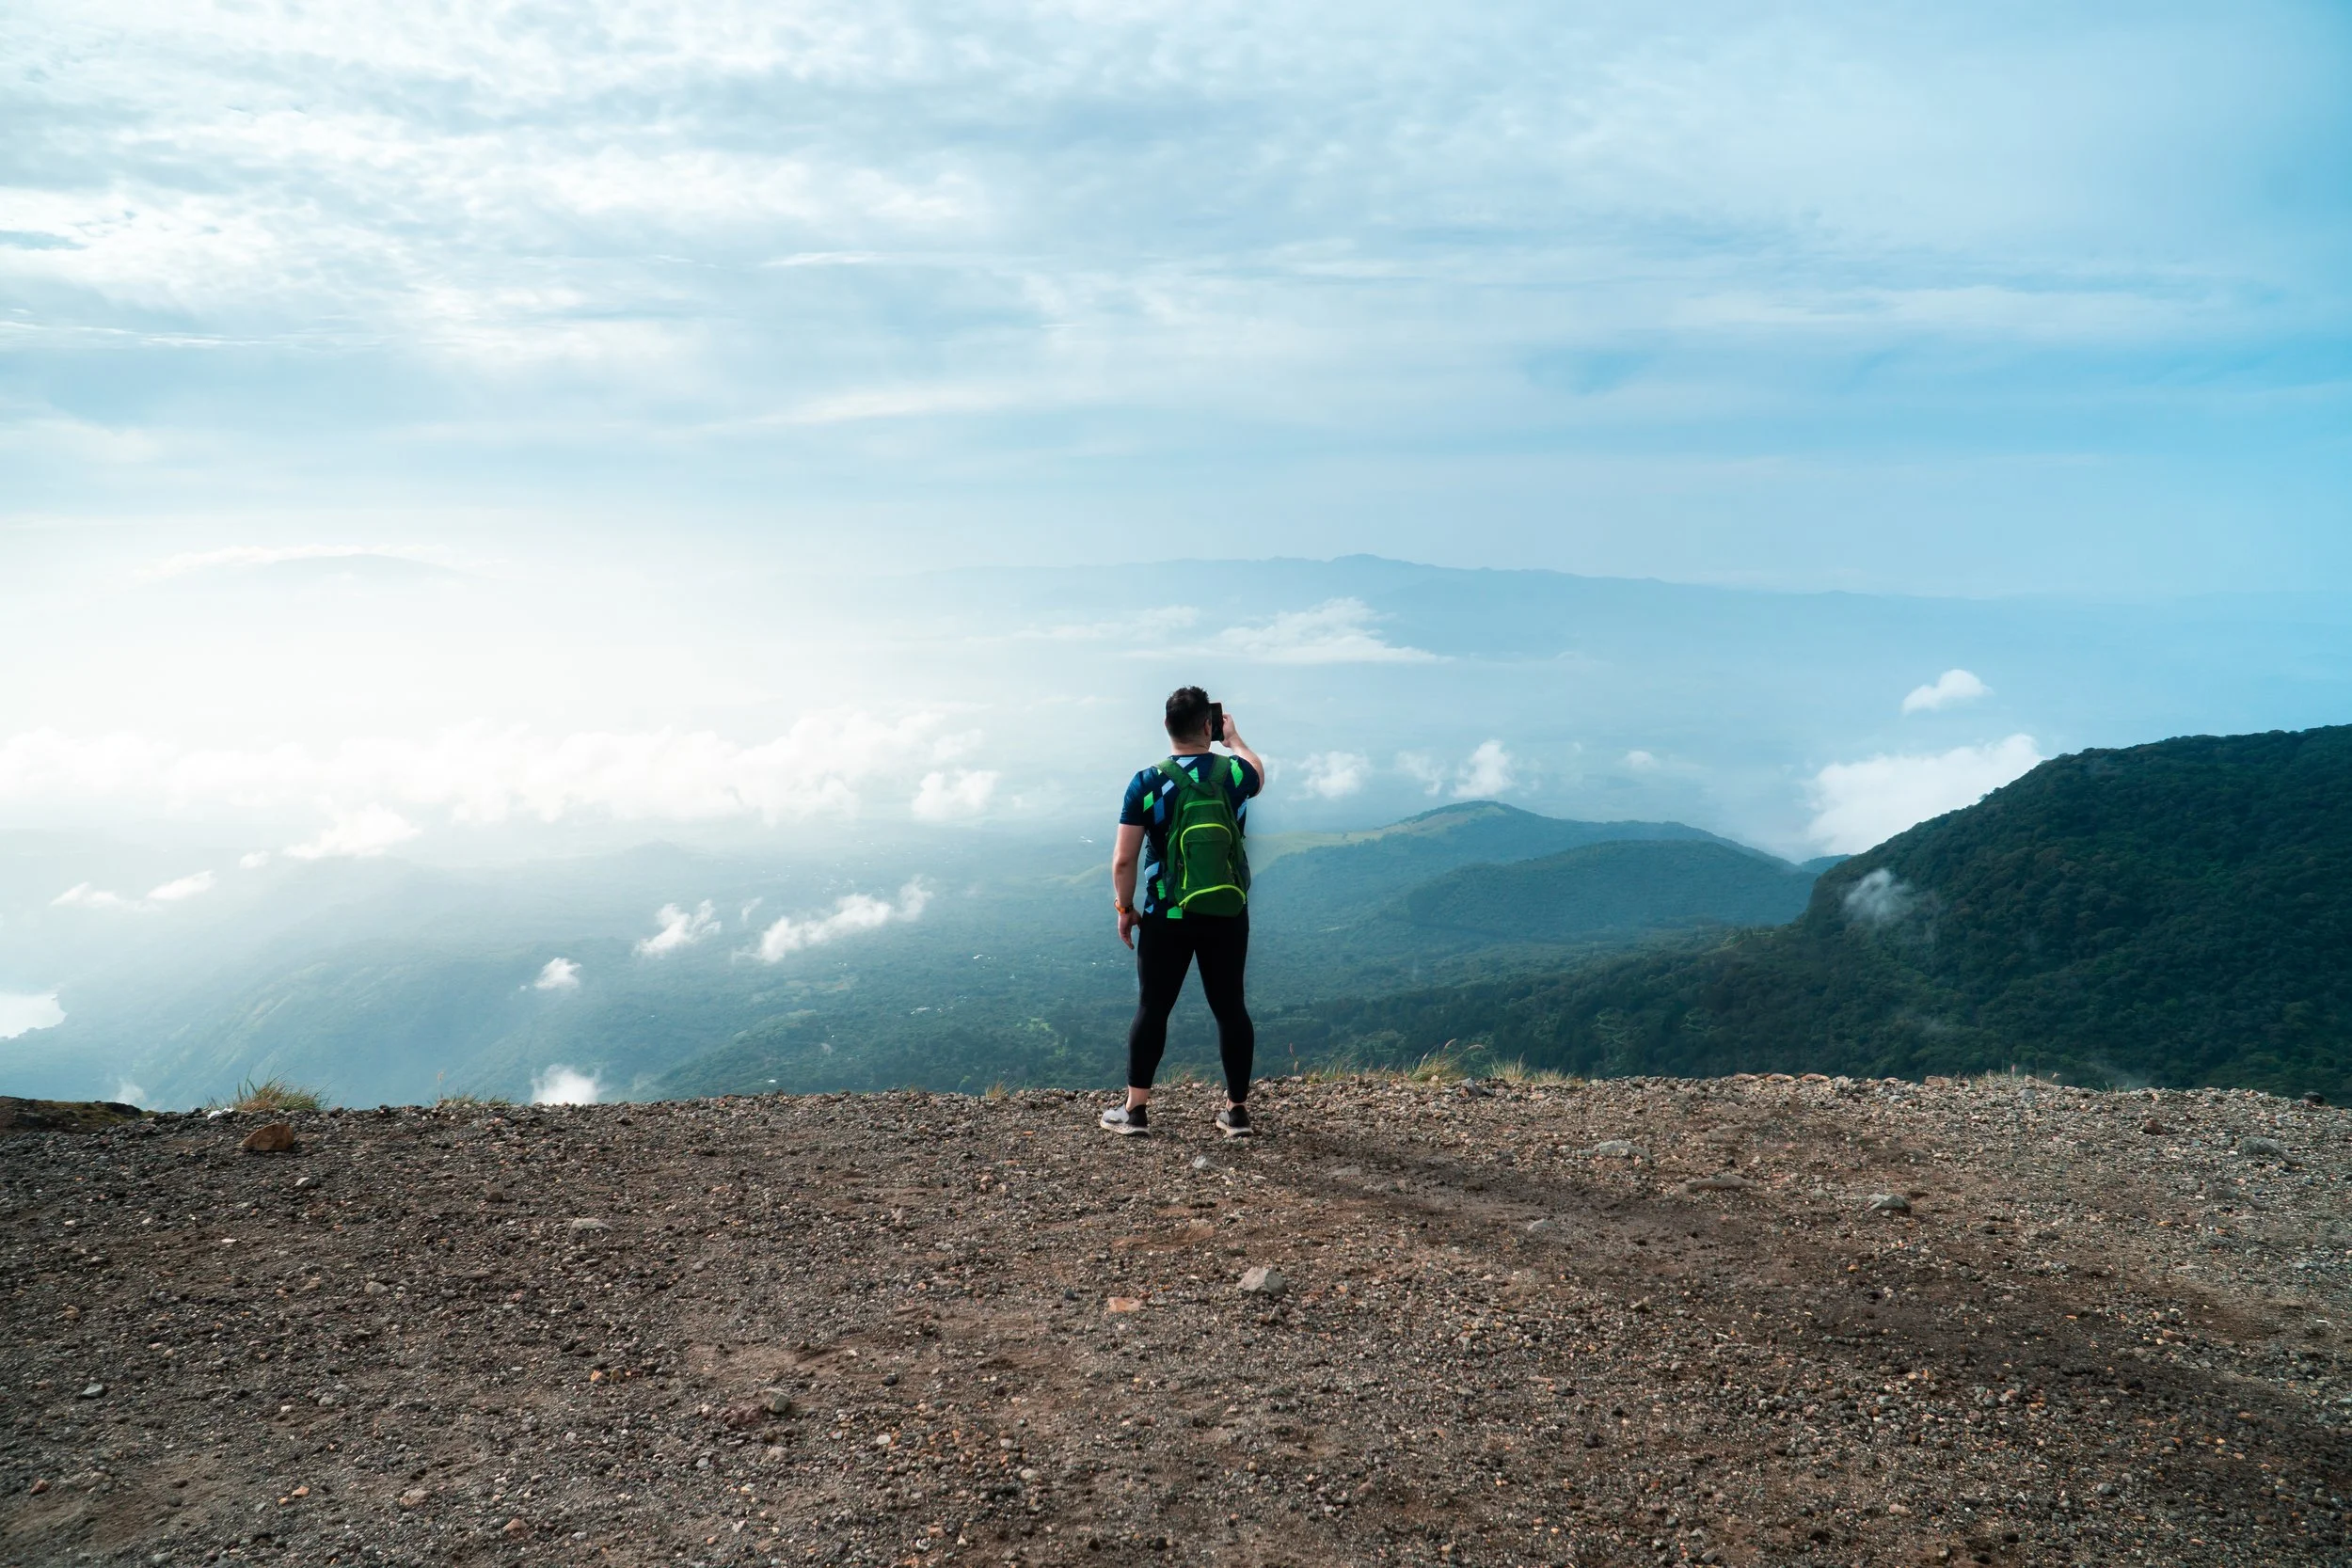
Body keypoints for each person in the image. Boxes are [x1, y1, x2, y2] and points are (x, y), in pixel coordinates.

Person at [1102, 686, 1265, 1138]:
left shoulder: (1148, 782)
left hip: (1166, 915)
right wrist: (1233, 740)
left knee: (1153, 1008)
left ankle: (1135, 1112)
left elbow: (1123, 859)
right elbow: (1258, 772)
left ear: (1166, 726)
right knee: (1231, 1008)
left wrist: (1125, 907)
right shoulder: (1233, 774)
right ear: (1208, 727)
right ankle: (1236, 1114)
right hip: (1227, 911)